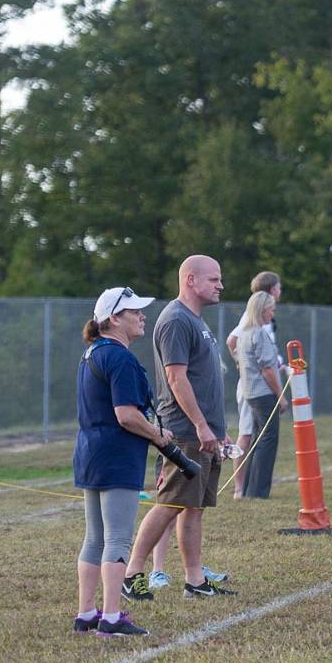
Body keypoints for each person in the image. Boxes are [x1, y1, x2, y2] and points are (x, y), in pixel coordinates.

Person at [121, 255, 235, 602]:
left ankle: (194, 579)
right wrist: (201, 426)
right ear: (190, 280)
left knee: (193, 506)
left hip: (203, 430)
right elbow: (176, 377)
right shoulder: (175, 319)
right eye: (213, 279)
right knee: (170, 503)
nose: (220, 285)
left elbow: (204, 379)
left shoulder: (196, 320)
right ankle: (132, 573)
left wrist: (218, 428)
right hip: (184, 430)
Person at [74, 287, 168, 636]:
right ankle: (111, 618)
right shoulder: (121, 358)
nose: (142, 316)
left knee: (95, 538)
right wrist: (159, 436)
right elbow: (127, 415)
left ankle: (86, 613)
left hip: (91, 453)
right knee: (117, 539)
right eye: (134, 312)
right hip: (117, 456)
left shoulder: (92, 354)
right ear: (114, 319)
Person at [225, 271, 282, 499]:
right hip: (254, 386)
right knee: (247, 432)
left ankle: (247, 486)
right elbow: (232, 341)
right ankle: (241, 488)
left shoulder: (263, 321)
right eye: (278, 287)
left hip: (255, 384)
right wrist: (243, 365)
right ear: (270, 290)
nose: (280, 292)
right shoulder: (253, 320)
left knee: (252, 433)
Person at [234, 290, 289, 499]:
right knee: (268, 440)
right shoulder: (259, 333)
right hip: (263, 394)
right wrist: (281, 396)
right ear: (262, 310)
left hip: (251, 393)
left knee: (257, 439)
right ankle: (259, 491)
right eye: (270, 309)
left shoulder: (244, 334)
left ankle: (249, 488)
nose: (272, 314)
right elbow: (267, 369)